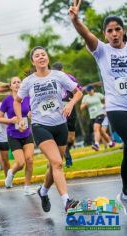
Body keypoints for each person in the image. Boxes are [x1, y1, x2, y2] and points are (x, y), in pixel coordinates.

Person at [69, 0, 127, 214]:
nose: (114, 34)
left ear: (123, 31)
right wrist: (76, 21)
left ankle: (125, 195)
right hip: (116, 108)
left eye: (117, 29)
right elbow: (86, 36)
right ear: (105, 34)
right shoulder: (101, 51)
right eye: (110, 31)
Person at [14, 46, 82, 212]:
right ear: (33, 61)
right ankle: (67, 201)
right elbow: (17, 100)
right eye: (37, 56)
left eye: (43, 54)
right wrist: (20, 119)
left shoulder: (59, 76)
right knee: (57, 162)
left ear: (48, 58)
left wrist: (71, 104)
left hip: (60, 125)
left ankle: (43, 191)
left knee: (55, 165)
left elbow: (77, 92)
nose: (41, 57)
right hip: (40, 126)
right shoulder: (29, 81)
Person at [0, 77, 36, 195]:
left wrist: (30, 114)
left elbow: (31, 111)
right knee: (20, 163)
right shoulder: (7, 101)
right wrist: (10, 120)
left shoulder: (28, 98)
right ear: (11, 86)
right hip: (13, 135)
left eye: (19, 82)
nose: (17, 84)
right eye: (14, 82)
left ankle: (27, 187)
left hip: (27, 133)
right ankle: (11, 173)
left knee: (29, 160)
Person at [52, 62, 82, 167]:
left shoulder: (70, 78)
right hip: (58, 111)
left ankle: (65, 149)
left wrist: (72, 102)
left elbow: (78, 91)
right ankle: (68, 157)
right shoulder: (51, 80)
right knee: (63, 136)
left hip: (71, 109)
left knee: (71, 138)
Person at [80, 85, 115, 151]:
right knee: (101, 131)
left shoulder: (98, 95)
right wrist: (84, 105)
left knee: (96, 128)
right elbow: (81, 108)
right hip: (92, 116)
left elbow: (107, 99)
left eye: (90, 90)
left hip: (100, 113)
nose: (89, 92)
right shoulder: (85, 97)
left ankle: (96, 145)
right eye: (87, 91)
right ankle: (111, 143)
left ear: (93, 89)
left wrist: (105, 104)